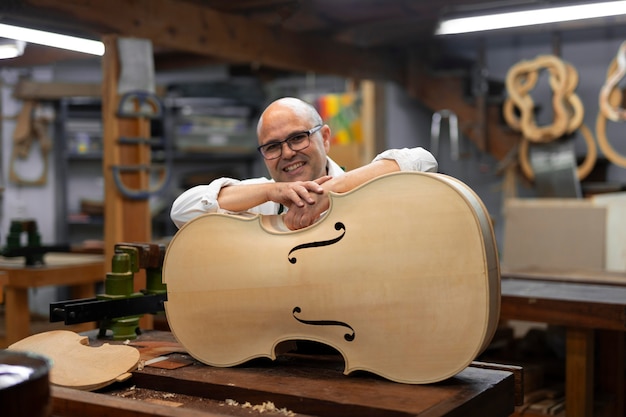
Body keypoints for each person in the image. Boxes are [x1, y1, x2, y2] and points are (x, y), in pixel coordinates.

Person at [170, 97, 438, 230]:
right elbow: (182, 211)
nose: (287, 153)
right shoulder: (260, 200)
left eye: (298, 138)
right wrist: (269, 191)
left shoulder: (361, 187)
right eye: (273, 146)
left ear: (325, 137)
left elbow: (424, 162)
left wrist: (334, 190)